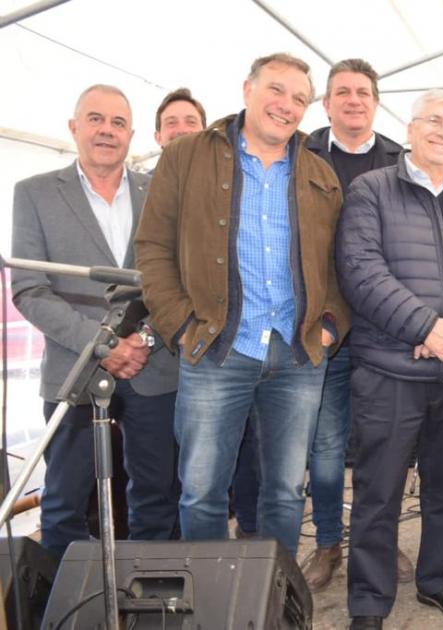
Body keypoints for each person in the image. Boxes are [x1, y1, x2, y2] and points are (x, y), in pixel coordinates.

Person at [134, 53, 349, 556]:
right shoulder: (185, 157)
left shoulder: (321, 173)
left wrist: (330, 327)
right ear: (247, 90)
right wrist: (183, 326)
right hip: (215, 349)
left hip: (298, 355)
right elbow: (153, 248)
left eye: (299, 98)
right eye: (277, 90)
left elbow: (339, 265)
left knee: (285, 492)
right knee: (203, 492)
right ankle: (209, 604)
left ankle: (272, 600)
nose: (287, 105)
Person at [337, 90, 443, 629]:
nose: (442, 132)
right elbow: (361, 270)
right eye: (432, 121)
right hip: (390, 370)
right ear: (409, 130)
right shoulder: (371, 191)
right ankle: (368, 602)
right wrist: (424, 327)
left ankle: (437, 580)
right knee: (378, 491)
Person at [11, 84, 179, 559]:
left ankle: (147, 597)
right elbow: (29, 288)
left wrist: (144, 339)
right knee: (64, 502)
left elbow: (180, 282)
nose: (107, 130)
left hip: (154, 368)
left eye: (118, 123)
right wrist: (105, 345)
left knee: (156, 496)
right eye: (96, 119)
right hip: (75, 370)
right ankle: (69, 607)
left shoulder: (160, 192)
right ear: (74, 127)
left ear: (132, 134)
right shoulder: (35, 194)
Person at [297, 58, 413, 591]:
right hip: (321, 324)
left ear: (376, 101)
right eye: (342, 92)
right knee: (325, 447)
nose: (353, 100)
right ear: (326, 103)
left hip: (385, 325)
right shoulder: (300, 154)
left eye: (363, 92)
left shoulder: (400, 160)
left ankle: (380, 542)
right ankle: (328, 543)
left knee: (383, 446)